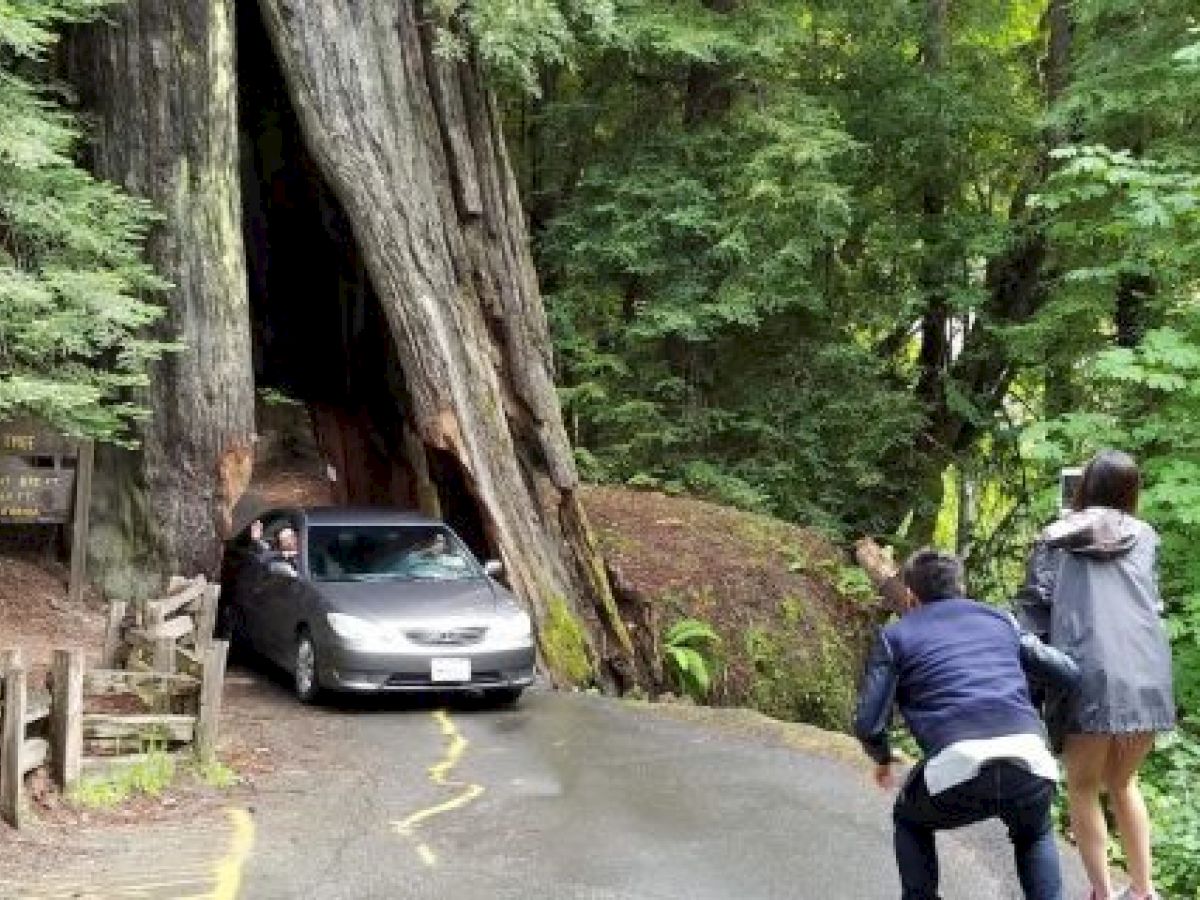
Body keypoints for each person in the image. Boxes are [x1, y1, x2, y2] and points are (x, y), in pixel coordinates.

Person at [854, 549, 1080, 900]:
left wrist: (882, 757)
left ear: (910, 595)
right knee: (1034, 833)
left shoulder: (896, 636)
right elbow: (1066, 672)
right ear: (961, 587)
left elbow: (868, 724)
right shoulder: (1000, 620)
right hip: (1030, 758)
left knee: (910, 819)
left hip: (958, 766)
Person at [1017, 451, 1175, 900]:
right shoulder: (1146, 538)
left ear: (1084, 487)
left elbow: (1032, 614)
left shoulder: (1054, 539)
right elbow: (1151, 603)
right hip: (1146, 674)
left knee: (1083, 788)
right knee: (1125, 783)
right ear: (1131, 491)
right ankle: (1143, 892)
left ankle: (1102, 893)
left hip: (1084, 673)